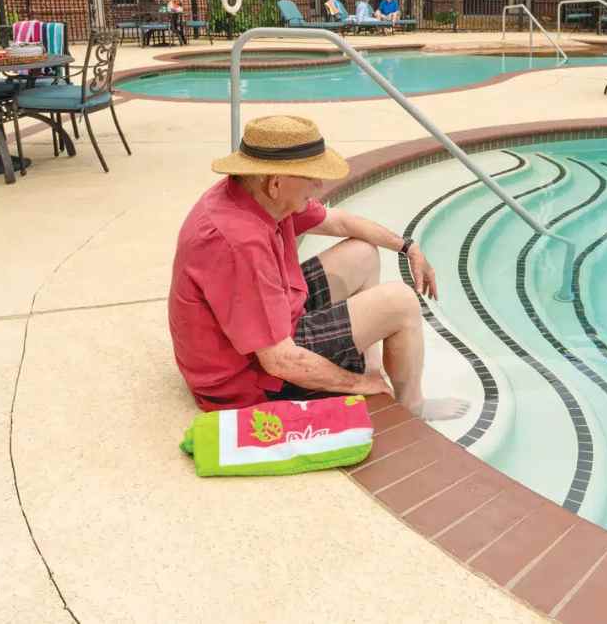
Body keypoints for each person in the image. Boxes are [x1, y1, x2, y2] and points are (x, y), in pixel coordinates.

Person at [168, 114, 469, 422]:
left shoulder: (253, 193)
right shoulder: (239, 242)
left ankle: (370, 365)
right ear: (275, 183)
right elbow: (279, 361)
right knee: (401, 303)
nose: (320, 184)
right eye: (311, 176)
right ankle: (411, 406)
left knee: (363, 253)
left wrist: (407, 247)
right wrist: (360, 386)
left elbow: (338, 221)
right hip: (245, 378)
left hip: (266, 327)